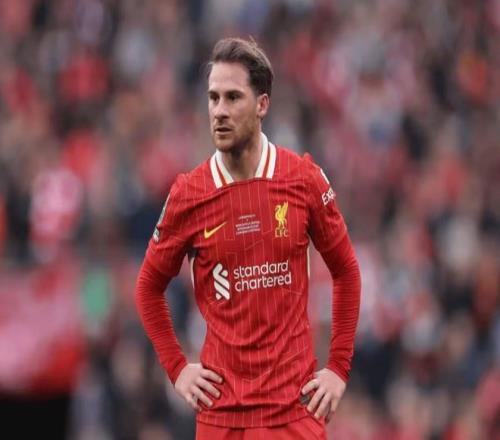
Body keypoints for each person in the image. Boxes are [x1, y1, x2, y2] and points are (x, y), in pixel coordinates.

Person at [135, 37, 361, 440]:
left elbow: (346, 270)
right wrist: (177, 368)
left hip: (294, 412)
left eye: (233, 97)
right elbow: (148, 287)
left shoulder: (303, 180)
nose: (219, 111)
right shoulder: (189, 194)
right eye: (213, 98)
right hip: (222, 418)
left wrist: (338, 368)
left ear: (262, 105)